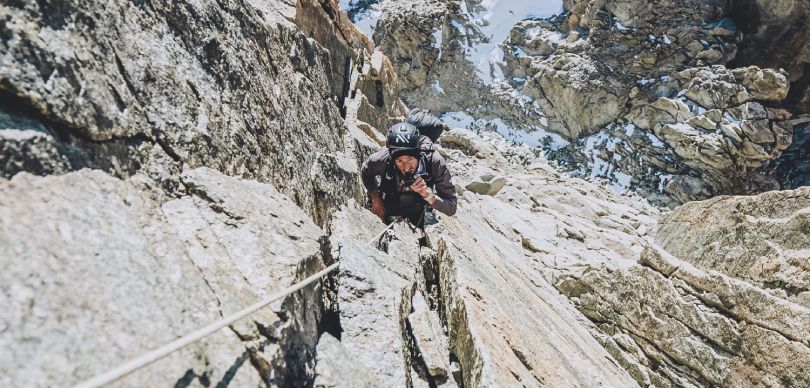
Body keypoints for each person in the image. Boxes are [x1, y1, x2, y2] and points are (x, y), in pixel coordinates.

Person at [361, 122, 457, 227]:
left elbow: (451, 207)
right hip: (388, 206)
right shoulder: (383, 159)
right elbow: (366, 170)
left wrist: (427, 194)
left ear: (419, 155)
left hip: (419, 212)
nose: (406, 167)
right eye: (399, 161)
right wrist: (376, 199)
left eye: (410, 160)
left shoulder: (434, 163)